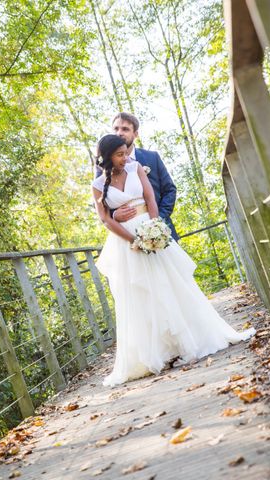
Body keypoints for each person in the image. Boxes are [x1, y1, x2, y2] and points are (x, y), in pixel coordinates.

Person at [92, 134, 255, 387]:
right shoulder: (97, 184)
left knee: (171, 285)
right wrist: (132, 240)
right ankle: (158, 352)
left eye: (126, 153)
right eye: (120, 154)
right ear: (107, 156)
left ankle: (188, 341)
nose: (125, 158)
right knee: (140, 295)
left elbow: (150, 199)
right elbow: (105, 219)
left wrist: (152, 229)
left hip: (150, 231)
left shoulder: (136, 168)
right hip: (127, 244)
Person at [102, 112, 179, 240]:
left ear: (136, 134)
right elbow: (101, 202)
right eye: (116, 128)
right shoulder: (102, 166)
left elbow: (169, 190)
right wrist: (114, 215)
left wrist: (157, 222)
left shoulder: (152, 157)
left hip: (161, 231)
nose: (119, 133)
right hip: (127, 236)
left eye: (125, 129)